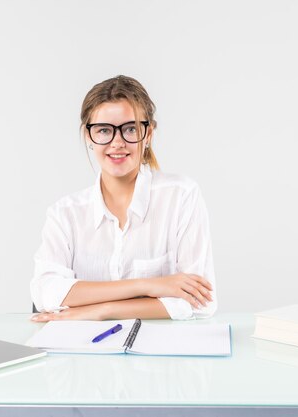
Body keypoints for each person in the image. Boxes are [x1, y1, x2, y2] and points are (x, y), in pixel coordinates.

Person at [30, 75, 216, 322]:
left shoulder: (181, 196)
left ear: (148, 134)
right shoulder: (65, 213)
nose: (117, 143)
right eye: (104, 131)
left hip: (160, 351)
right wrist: (148, 286)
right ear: (88, 136)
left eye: (129, 129)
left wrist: (103, 311)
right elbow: (46, 292)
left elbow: (200, 302)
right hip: (81, 351)